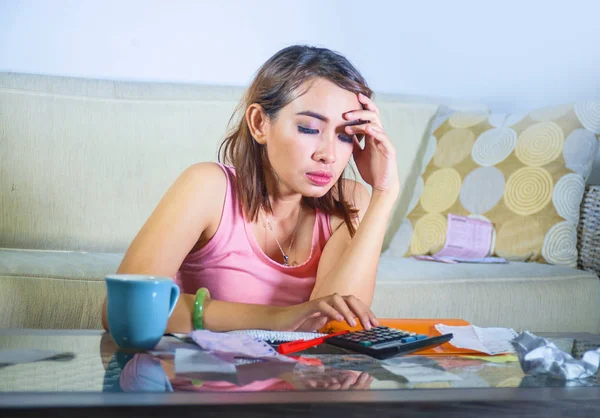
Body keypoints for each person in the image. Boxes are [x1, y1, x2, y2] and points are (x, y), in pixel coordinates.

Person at [101, 45, 399, 334]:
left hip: (302, 382)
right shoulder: (208, 188)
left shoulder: (349, 201)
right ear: (259, 123)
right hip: (204, 379)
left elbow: (337, 322)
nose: (329, 155)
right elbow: (124, 310)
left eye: (346, 136)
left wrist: (385, 192)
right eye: (309, 128)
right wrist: (280, 318)